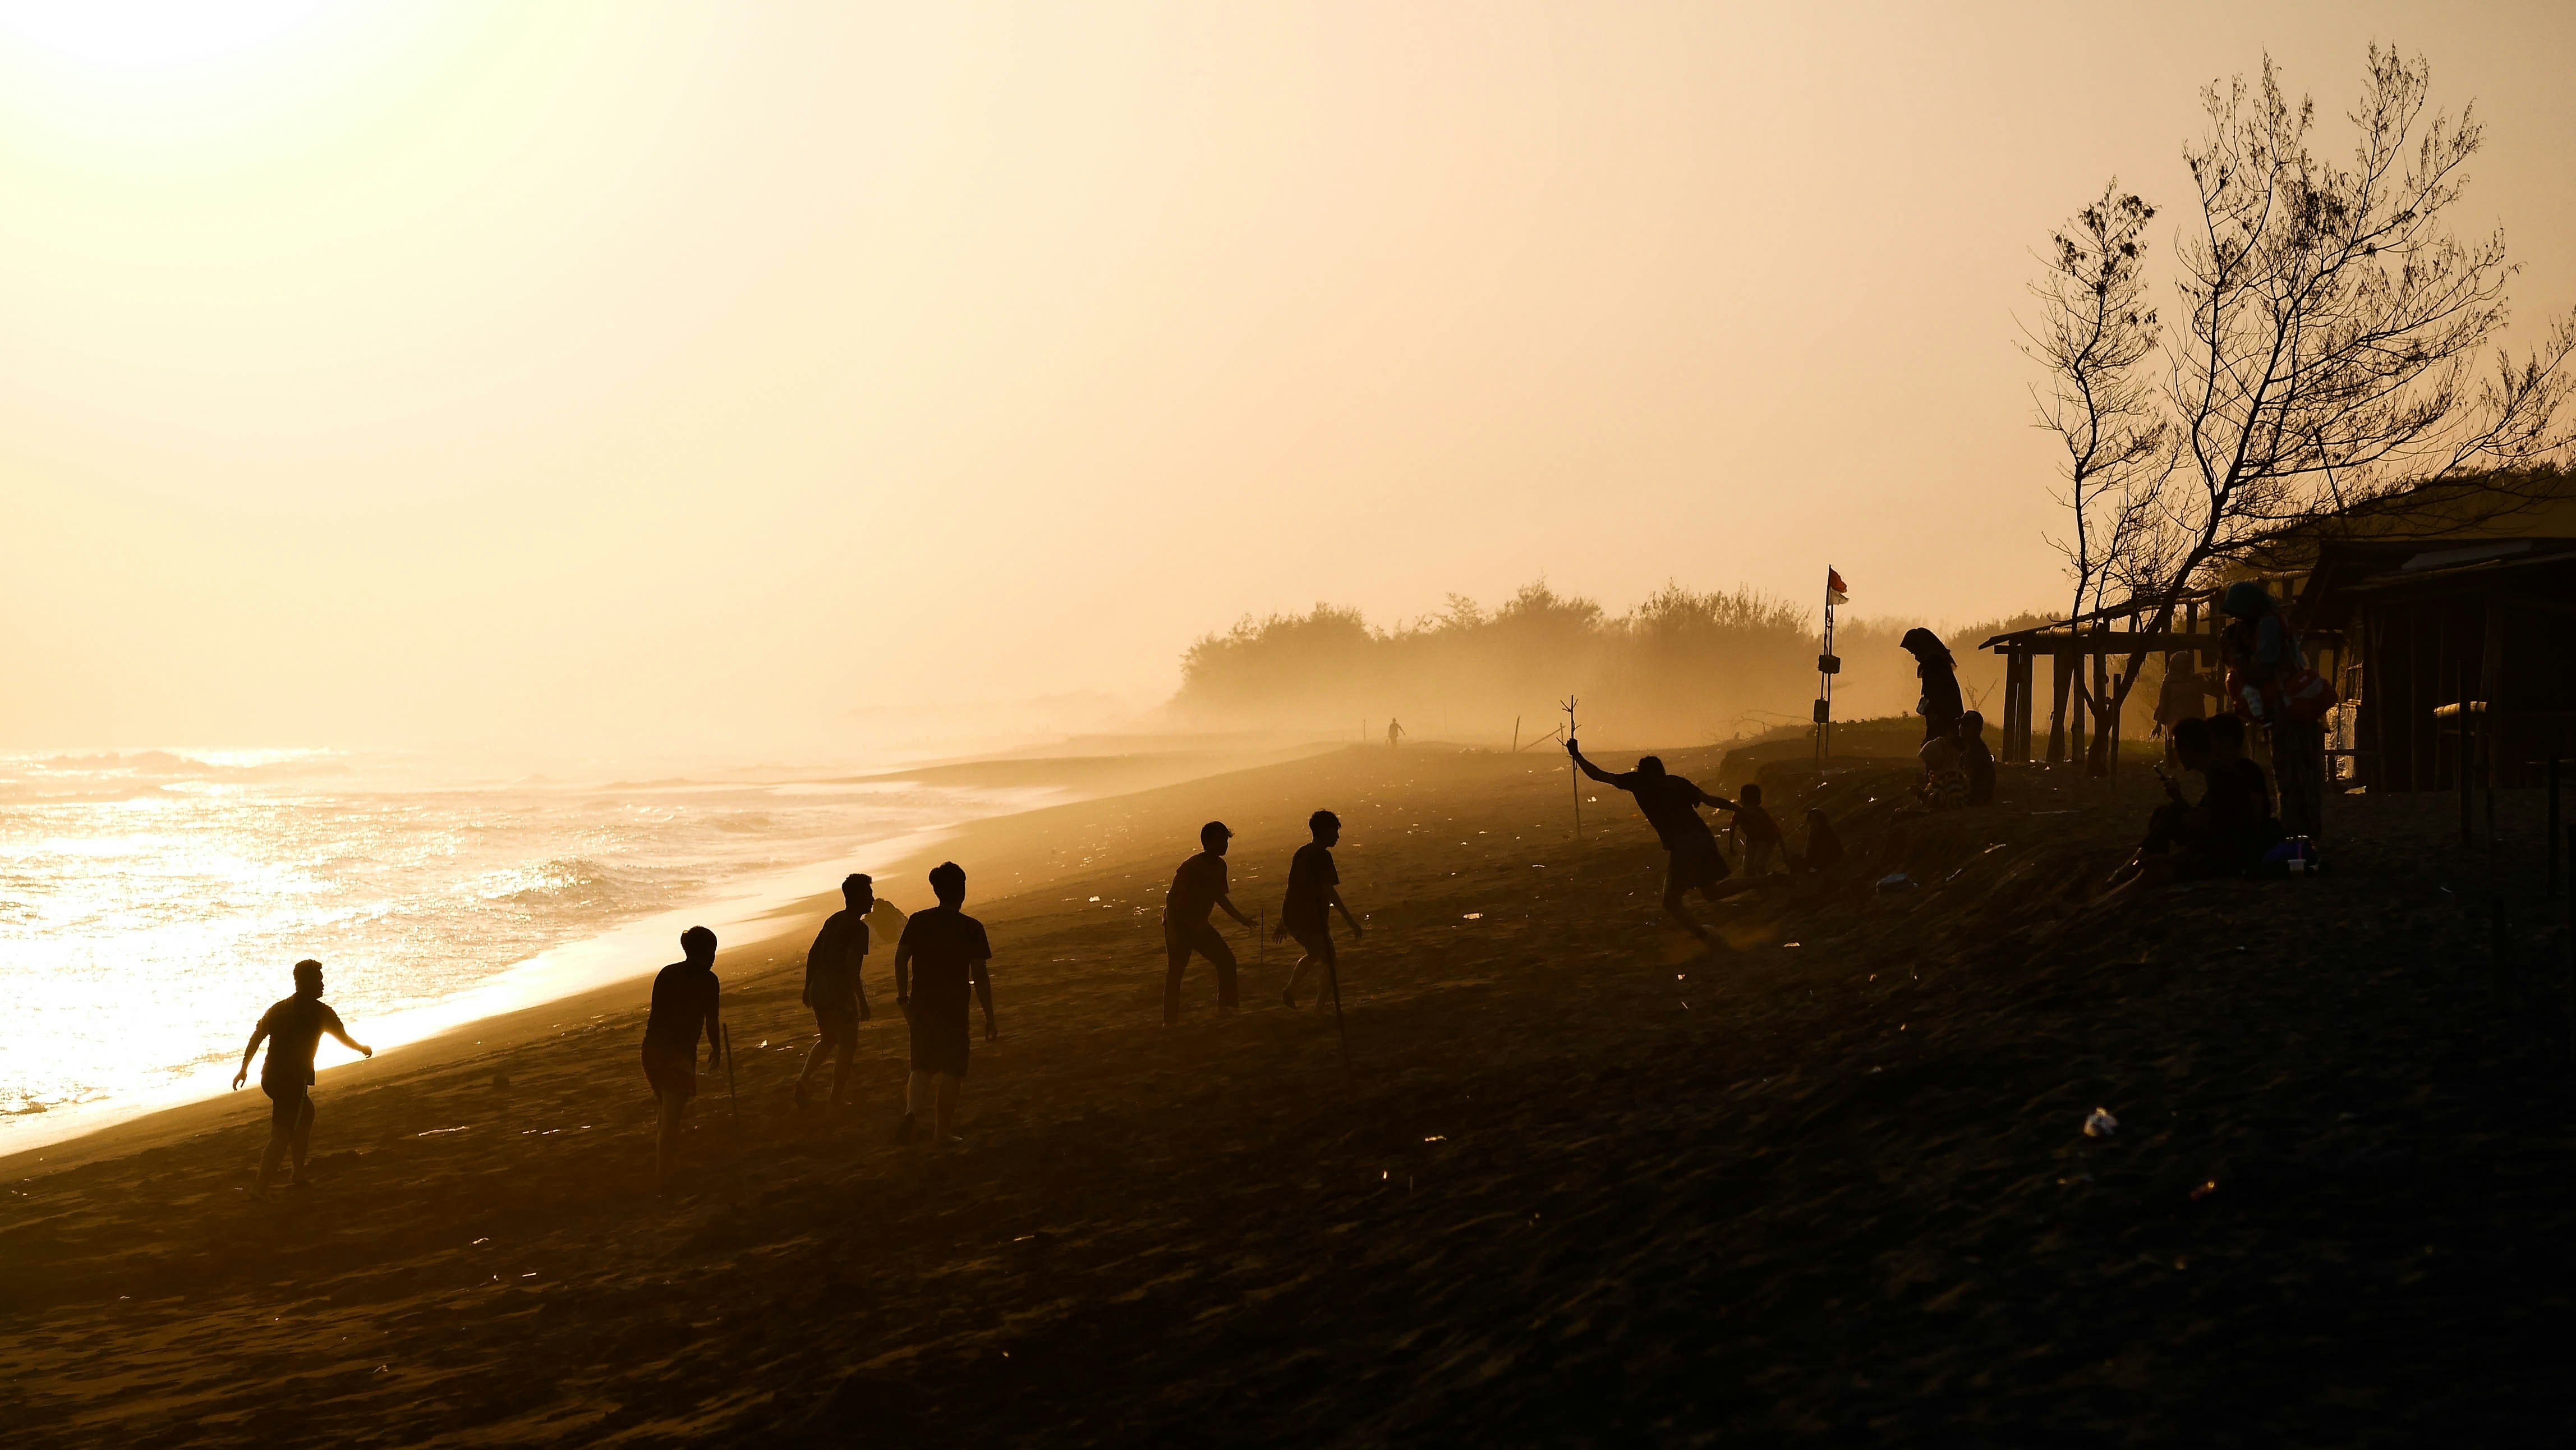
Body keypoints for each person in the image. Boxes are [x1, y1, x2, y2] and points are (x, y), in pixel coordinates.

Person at [1566, 738, 1742, 942]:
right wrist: (1738, 809)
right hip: (1702, 837)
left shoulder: (1640, 782)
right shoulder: (1678, 782)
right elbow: (1710, 800)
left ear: (1643, 771)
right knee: (1712, 892)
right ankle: (1767, 879)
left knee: (1671, 902)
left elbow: (1599, 775)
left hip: (1684, 844)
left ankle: (1703, 935)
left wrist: (1577, 755)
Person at [230, 958, 372, 1195]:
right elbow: (343, 1037)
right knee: (281, 1134)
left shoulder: (278, 1009)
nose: (323, 984)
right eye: (319, 979)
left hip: (271, 1077)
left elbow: (257, 1037)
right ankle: (260, 1187)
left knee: (305, 1115)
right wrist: (362, 1049)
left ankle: (298, 1173)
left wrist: (244, 1068)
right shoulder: (320, 1012)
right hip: (291, 1079)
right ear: (304, 983)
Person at [894, 861, 995, 1146]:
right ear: (961, 889)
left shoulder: (918, 920)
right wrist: (990, 1016)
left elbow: (901, 959)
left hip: (921, 1003)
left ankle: (912, 1111)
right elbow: (981, 976)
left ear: (936, 891)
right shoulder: (972, 928)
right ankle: (941, 1133)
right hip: (953, 1007)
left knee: (922, 1065)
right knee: (952, 1070)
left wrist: (903, 999)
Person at [2112, 717, 2273, 887]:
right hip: (2223, 844)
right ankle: (2138, 865)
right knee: (2167, 812)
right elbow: (2209, 818)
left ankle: (2132, 870)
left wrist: (2174, 859)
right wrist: (2180, 799)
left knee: (2170, 816)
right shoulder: (2217, 772)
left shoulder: (2232, 772)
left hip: (2232, 852)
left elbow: (2227, 827)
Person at [2220, 581, 2325, 842]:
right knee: (2298, 764)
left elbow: (2263, 664)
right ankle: (2303, 822)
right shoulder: (2269, 622)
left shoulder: (2269, 625)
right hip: (2289, 703)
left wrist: (2242, 668)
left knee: (2291, 764)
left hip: (2286, 704)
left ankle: (2297, 824)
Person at [642, 926, 725, 1191]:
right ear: (705, 953)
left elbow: (657, 1015)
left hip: (651, 1051)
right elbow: (711, 1020)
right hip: (677, 1054)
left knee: (666, 1109)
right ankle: (663, 1176)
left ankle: (668, 1162)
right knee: (671, 1118)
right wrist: (717, 1048)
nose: (714, 957)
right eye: (712, 952)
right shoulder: (709, 981)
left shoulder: (666, 974)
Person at [793, 874, 875, 1112]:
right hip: (838, 992)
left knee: (828, 1039)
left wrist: (808, 986)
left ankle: (803, 1079)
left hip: (819, 988)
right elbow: (852, 969)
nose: (872, 898)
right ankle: (836, 1098)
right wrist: (862, 1000)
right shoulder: (859, 929)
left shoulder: (834, 920)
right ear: (858, 897)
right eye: (869, 894)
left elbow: (813, 953)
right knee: (848, 1044)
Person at [1162, 820, 1254, 1024]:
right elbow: (1172, 901)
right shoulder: (1192, 866)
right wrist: (1173, 932)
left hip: (1200, 925)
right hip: (1180, 925)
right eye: (1222, 840)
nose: (1225, 845)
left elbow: (1220, 897)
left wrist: (1242, 919)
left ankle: (1227, 1009)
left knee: (1227, 961)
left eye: (1226, 840)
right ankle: (1169, 1021)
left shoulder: (1221, 866)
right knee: (1176, 972)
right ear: (1208, 842)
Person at [1276, 809, 1364, 1010]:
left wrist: (1283, 920)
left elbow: (1291, 888)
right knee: (1330, 960)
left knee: (1315, 954)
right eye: (1334, 832)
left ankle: (1290, 990)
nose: (1337, 837)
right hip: (1309, 919)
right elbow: (1330, 893)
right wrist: (1352, 923)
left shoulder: (1302, 852)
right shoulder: (1323, 857)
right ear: (1324, 831)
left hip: (1295, 916)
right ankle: (1319, 1008)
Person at [2153, 652, 2218, 765]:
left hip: (2189, 721)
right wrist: (2158, 725)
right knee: (2178, 744)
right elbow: (2164, 704)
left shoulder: (2195, 680)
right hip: (2180, 721)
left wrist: (2159, 724)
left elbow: (2163, 704)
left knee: (2188, 744)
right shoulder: (2175, 682)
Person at [1901, 627, 1963, 744]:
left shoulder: (1934, 662)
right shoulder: (1935, 661)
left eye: (1913, 649)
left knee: (1939, 746)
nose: (1912, 653)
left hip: (1943, 712)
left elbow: (1937, 692)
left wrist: (1933, 712)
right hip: (1941, 711)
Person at [1726, 782, 1787, 876]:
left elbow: (1776, 832)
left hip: (1767, 840)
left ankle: (1766, 882)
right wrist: (1731, 846)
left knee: (1758, 866)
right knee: (1747, 869)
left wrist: (1784, 852)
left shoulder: (1762, 815)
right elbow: (1732, 828)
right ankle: (1760, 885)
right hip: (1752, 840)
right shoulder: (1739, 813)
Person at [1958, 710, 1996, 806]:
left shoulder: (1976, 751)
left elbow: (1968, 780)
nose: (1962, 728)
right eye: (1962, 725)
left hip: (1977, 798)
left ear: (1977, 729)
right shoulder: (1971, 748)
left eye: (1967, 725)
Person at [1801, 807, 1846, 874]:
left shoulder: (1827, 834)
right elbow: (1808, 856)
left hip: (1827, 867)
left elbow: (1829, 857)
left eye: (1815, 821)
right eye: (1811, 821)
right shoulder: (1812, 836)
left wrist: (1813, 868)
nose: (1812, 824)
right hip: (1817, 867)